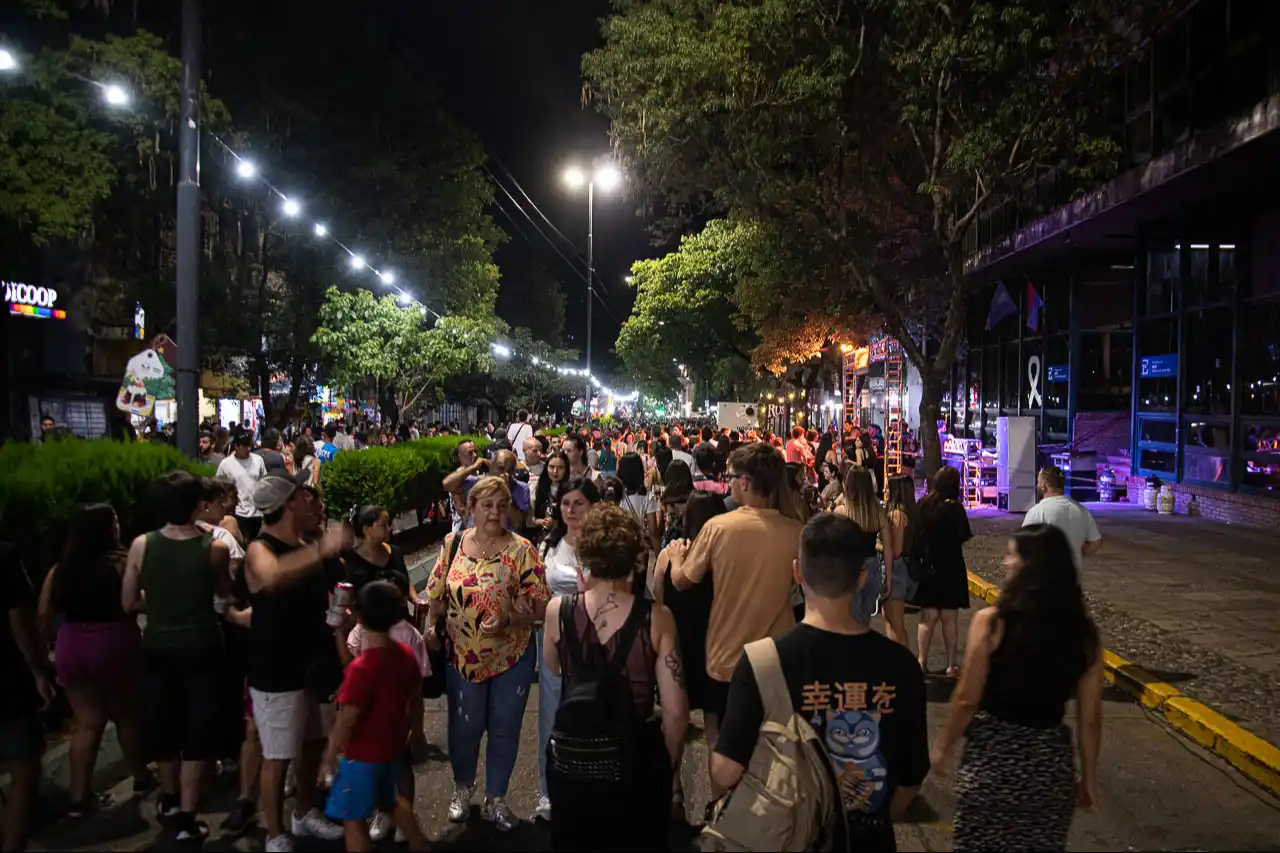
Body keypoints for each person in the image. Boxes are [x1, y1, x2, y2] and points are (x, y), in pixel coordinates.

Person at [712, 513, 930, 853]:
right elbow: (911, 778)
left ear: (797, 571)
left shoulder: (762, 662)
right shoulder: (902, 665)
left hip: (786, 839)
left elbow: (725, 772)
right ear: (861, 578)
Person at [932, 525, 1103, 852]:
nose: (1005, 562)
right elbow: (1090, 717)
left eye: (1012, 555)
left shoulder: (993, 623)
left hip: (993, 761)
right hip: (1050, 767)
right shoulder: (1084, 634)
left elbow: (967, 698)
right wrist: (1089, 778)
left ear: (1029, 566)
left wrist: (943, 746)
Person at [543, 503, 689, 850]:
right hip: (634, 760)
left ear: (587, 553)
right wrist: (665, 768)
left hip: (573, 763)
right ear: (632, 556)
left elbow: (555, 667)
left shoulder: (558, 611)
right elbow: (676, 712)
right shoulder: (656, 618)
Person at [667, 443, 803, 795]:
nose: (728, 484)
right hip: (778, 657)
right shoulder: (796, 531)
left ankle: (723, 810)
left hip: (725, 658)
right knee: (771, 743)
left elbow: (683, 581)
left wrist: (677, 556)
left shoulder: (718, 527)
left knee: (720, 740)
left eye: (730, 478)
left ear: (744, 481)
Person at [423, 476, 550, 831]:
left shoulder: (523, 550)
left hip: (512, 655)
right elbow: (435, 593)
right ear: (471, 508)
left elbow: (541, 607)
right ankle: (463, 787)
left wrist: (511, 618)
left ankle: (497, 798)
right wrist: (432, 625)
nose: (494, 512)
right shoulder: (453, 543)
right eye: (486, 505)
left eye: (501, 505)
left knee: (505, 729)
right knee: (464, 729)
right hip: (462, 657)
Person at [121, 471, 233, 844]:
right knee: (197, 731)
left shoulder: (142, 545)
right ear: (197, 504)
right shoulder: (214, 548)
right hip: (203, 645)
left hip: (156, 648)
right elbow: (223, 597)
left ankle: (168, 801)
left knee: (164, 725)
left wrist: (159, 602)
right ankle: (187, 815)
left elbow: (128, 601)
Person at [244, 471, 351, 852]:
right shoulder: (261, 548)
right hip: (276, 669)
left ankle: (304, 813)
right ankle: (274, 833)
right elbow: (271, 577)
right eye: (303, 495)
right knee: (277, 756)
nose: (312, 500)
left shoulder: (307, 541)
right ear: (289, 504)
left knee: (313, 744)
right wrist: (321, 551)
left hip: (314, 663)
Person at [38, 504, 153, 816]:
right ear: (107, 529)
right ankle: (142, 777)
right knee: (126, 714)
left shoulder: (60, 569)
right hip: (114, 641)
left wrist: (42, 659)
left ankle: (78, 797)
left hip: (71, 644)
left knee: (87, 723)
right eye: (115, 520)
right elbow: (137, 600)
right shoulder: (120, 562)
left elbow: (43, 614)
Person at [322, 581, 432, 853]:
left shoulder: (361, 668)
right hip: (392, 747)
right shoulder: (405, 655)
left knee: (353, 819)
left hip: (361, 757)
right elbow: (416, 698)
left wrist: (329, 757)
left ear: (359, 617)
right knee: (391, 801)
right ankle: (420, 845)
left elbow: (347, 717)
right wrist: (416, 731)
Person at [651, 490, 726, 817]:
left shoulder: (670, 554)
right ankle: (719, 803)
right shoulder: (724, 558)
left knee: (673, 724)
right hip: (716, 650)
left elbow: (657, 597)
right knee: (715, 733)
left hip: (676, 648)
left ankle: (673, 794)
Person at [533, 477, 602, 821]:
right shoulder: (549, 545)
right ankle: (547, 791)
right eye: (565, 504)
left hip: (598, 639)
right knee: (551, 713)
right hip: (555, 638)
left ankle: (590, 786)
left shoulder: (604, 547)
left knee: (592, 714)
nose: (571, 511)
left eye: (579, 504)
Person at [0, 541, 54, 852]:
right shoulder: (4, 556)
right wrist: (38, 671)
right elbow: (19, 619)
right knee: (24, 769)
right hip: (6, 675)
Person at [909, 466, 973, 678]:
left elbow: (915, 533)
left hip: (928, 566)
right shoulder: (955, 509)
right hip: (951, 567)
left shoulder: (923, 504)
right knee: (949, 618)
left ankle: (921, 660)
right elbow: (963, 535)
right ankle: (951, 664)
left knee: (927, 617)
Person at [837, 465, 896, 628]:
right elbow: (888, 548)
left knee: (850, 622)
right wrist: (889, 579)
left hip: (849, 568)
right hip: (872, 567)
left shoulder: (842, 511)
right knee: (864, 621)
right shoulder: (878, 512)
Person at [1022, 466, 1102, 569]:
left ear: (1044, 485)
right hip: (1072, 580)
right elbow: (1096, 542)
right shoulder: (1082, 511)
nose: (1037, 485)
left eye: (1038, 482)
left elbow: (1023, 545)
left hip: (1046, 580)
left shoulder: (1037, 512)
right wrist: (1076, 554)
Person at [883, 475, 919, 650]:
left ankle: (904, 667)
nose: (885, 491)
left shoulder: (897, 514)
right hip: (900, 568)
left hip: (896, 570)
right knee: (889, 619)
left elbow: (896, 550)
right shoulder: (909, 512)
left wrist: (877, 544)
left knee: (896, 624)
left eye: (888, 488)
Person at [340, 505, 409, 594]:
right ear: (366, 529)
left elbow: (404, 583)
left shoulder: (395, 553)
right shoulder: (350, 562)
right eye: (383, 525)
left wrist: (416, 600)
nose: (389, 529)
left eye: (389, 524)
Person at [217, 431, 269, 542]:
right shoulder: (226, 464)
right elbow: (218, 485)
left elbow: (264, 482)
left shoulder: (258, 460)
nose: (248, 449)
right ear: (236, 446)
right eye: (244, 446)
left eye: (250, 445)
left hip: (257, 513)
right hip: (238, 512)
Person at [532, 451, 570, 539]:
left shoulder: (571, 490)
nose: (555, 471)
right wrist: (541, 522)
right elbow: (528, 519)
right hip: (540, 537)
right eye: (551, 467)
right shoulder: (537, 487)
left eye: (560, 467)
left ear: (566, 469)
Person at [657, 460, 695, 548]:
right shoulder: (694, 498)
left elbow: (659, 527)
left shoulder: (664, 501)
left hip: (671, 543)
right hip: (690, 542)